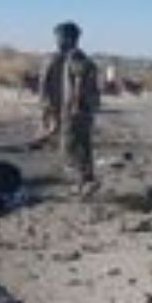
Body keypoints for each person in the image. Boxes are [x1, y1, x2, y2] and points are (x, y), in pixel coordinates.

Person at [39, 22, 100, 194]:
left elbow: (79, 80)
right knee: (81, 147)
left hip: (76, 112)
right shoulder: (71, 56)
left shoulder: (75, 56)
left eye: (59, 37)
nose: (57, 41)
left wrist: (75, 105)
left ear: (69, 38)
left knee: (71, 147)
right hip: (79, 111)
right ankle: (85, 182)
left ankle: (85, 182)